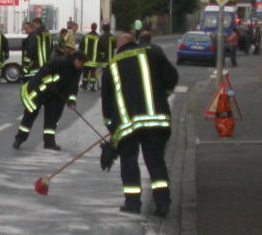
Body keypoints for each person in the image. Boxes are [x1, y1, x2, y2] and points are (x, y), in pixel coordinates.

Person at [100, 33, 179, 217]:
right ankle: (162, 204)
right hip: (156, 121)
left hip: (128, 126)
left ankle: (133, 203)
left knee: (129, 162)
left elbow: (107, 102)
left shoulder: (112, 66)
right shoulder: (152, 54)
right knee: (155, 161)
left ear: (119, 46)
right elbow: (172, 77)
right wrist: (163, 95)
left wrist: (112, 128)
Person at [13, 51, 88, 151]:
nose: (81, 66)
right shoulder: (60, 62)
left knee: (53, 118)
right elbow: (44, 71)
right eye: (81, 63)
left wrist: (71, 101)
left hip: (56, 95)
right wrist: (50, 83)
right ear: (76, 60)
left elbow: (73, 87)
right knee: (30, 115)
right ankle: (19, 139)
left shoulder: (78, 70)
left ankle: (49, 142)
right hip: (41, 90)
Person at [79, 22, 102, 90]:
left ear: (91, 27)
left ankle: (84, 85)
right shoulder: (98, 38)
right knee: (92, 73)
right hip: (94, 59)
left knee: (85, 73)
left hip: (85, 59)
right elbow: (101, 49)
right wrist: (100, 58)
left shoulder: (85, 37)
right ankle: (92, 86)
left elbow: (81, 47)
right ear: (96, 28)